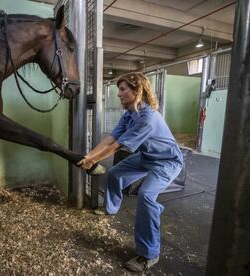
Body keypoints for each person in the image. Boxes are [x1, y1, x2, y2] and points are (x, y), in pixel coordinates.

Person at [77, 72, 183, 272]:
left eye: (123, 89)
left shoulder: (148, 118)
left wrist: (92, 161)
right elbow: (110, 138)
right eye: (120, 89)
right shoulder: (129, 115)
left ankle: (149, 254)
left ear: (137, 91)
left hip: (166, 162)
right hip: (147, 157)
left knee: (147, 196)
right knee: (116, 173)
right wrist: (88, 155)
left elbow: (117, 146)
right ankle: (111, 208)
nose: (119, 94)